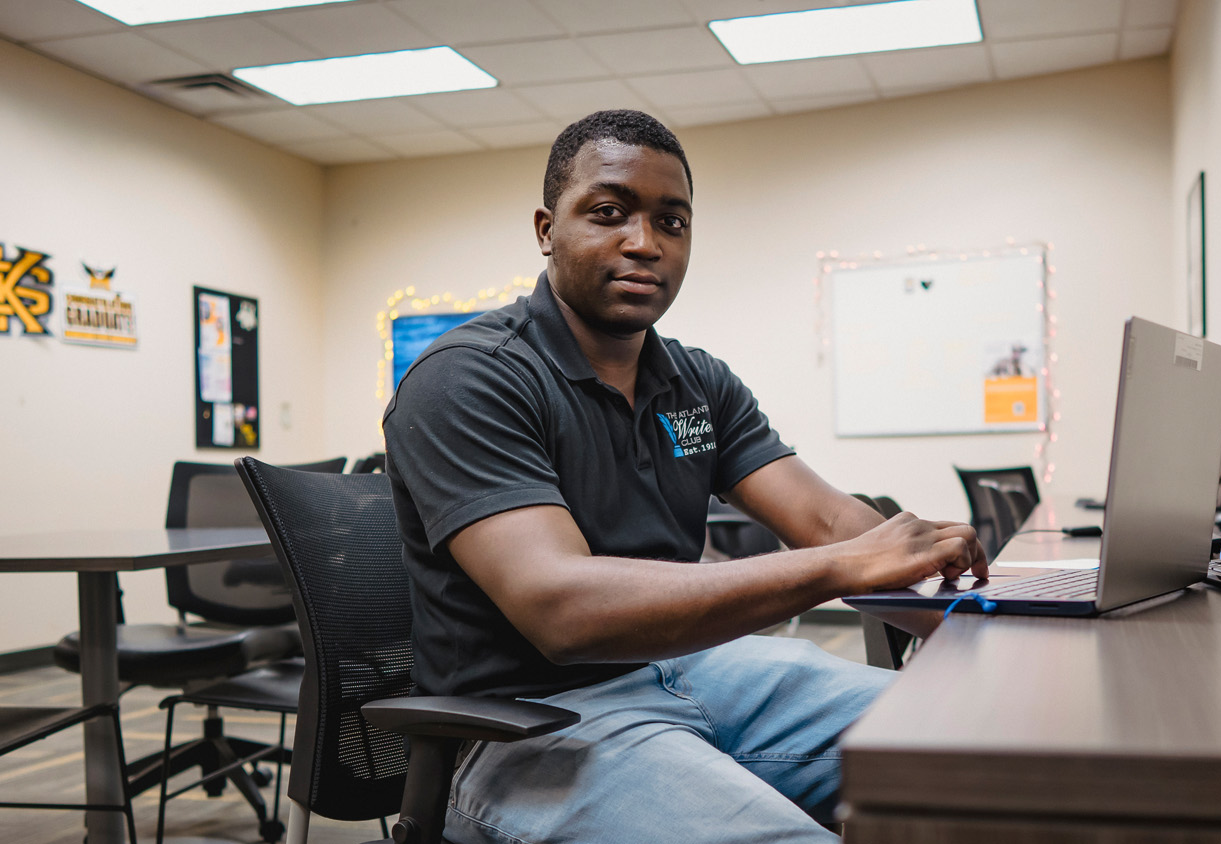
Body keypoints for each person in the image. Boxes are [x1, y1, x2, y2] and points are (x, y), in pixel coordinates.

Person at [383, 109, 986, 844]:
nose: (644, 243)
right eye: (608, 214)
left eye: (672, 222)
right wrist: (844, 566)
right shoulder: (469, 378)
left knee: (987, 751)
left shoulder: (697, 381)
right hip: (525, 727)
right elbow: (561, 610)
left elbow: (828, 523)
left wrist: (994, 625)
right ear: (547, 229)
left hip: (687, 674)